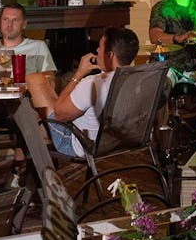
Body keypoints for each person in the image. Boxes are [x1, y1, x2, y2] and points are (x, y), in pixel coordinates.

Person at [46, 27, 140, 157]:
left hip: (85, 146)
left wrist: (78, 74)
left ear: (110, 55)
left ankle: (37, 169)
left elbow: (59, 115)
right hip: (121, 144)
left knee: (37, 85)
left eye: (100, 47)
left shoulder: (93, 84)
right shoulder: (140, 79)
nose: (97, 50)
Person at [0, 3, 57, 74]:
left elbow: (49, 78)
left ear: (24, 24)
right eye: (5, 19)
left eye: (15, 20)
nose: (9, 24)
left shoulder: (38, 47)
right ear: (0, 22)